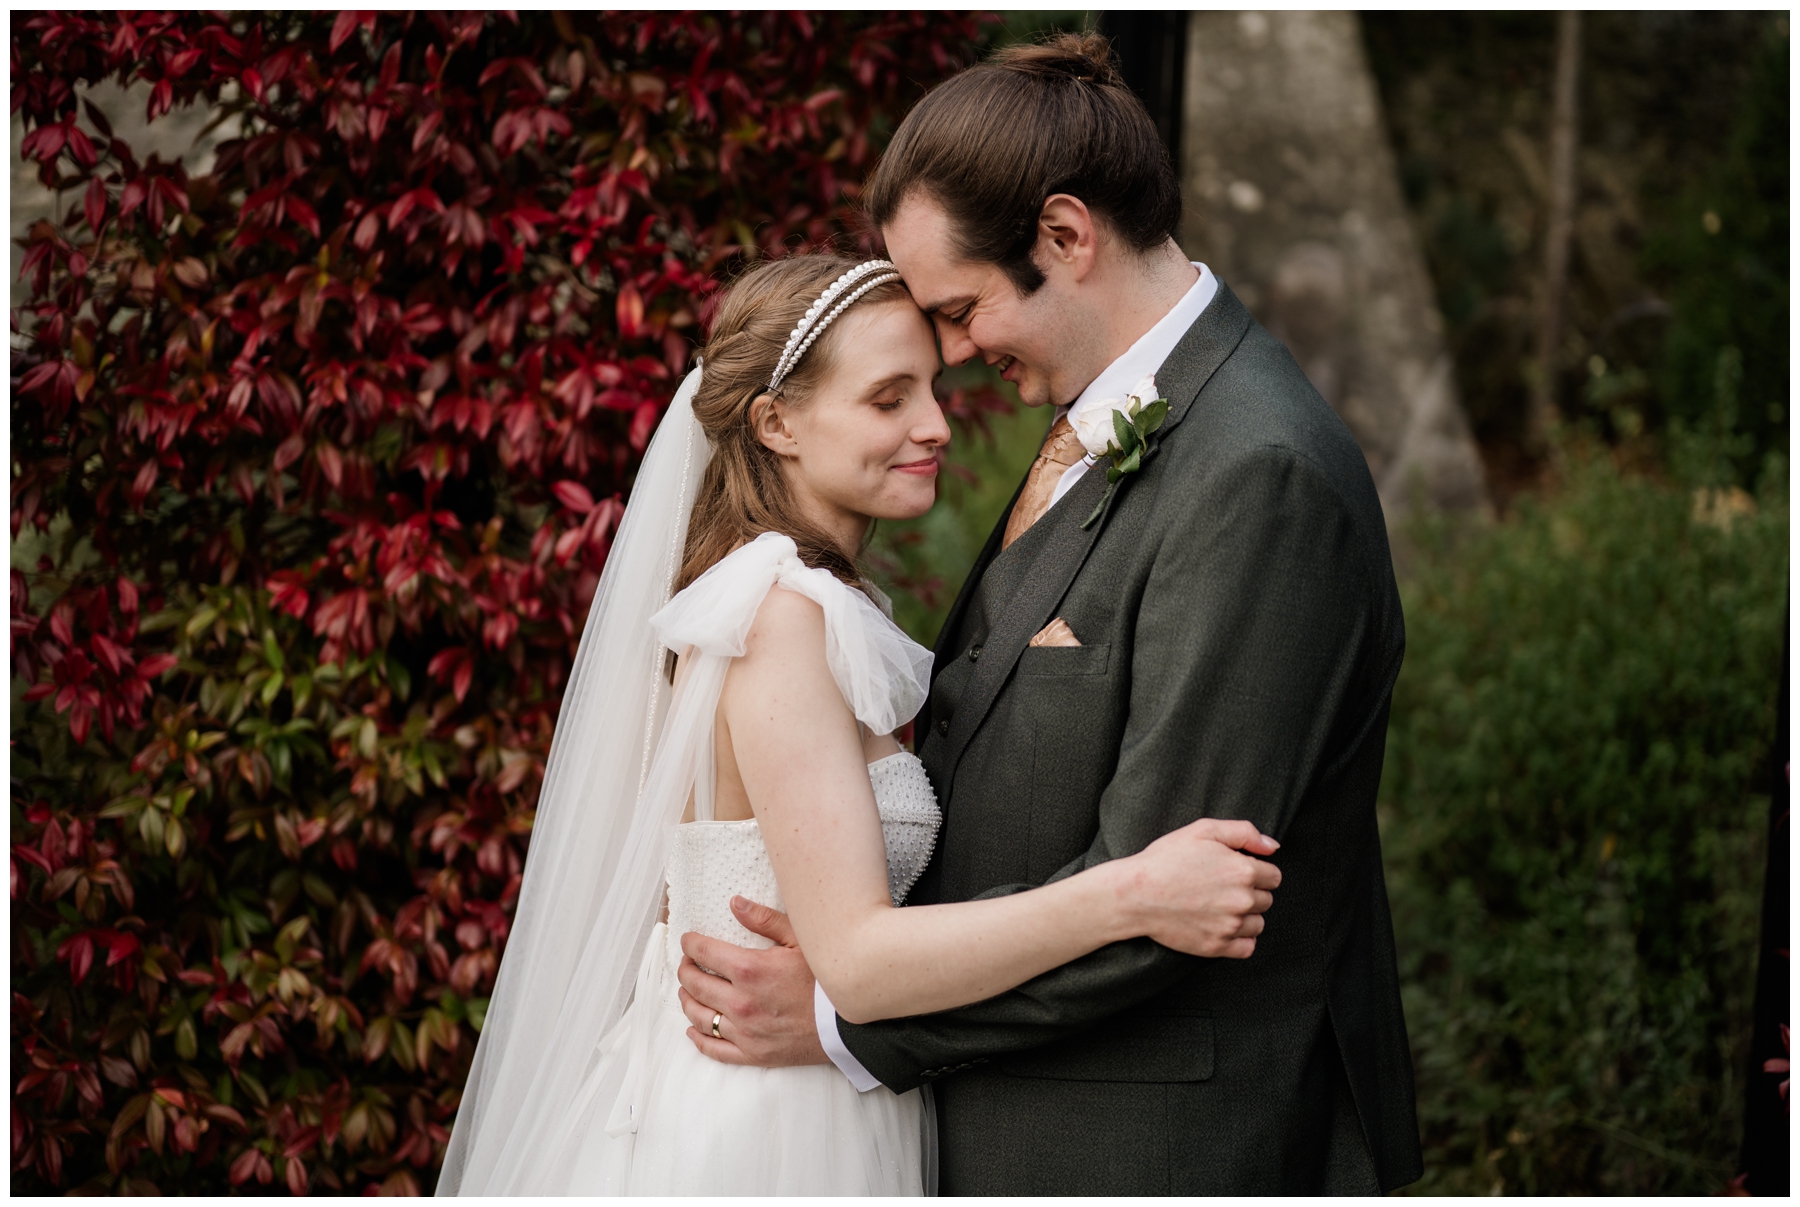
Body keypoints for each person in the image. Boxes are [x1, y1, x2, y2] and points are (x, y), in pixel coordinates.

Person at [674, 33, 1425, 1195]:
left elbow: (1176, 897)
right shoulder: (1104, 427)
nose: (954, 356)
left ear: (1067, 236)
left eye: (962, 309)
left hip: (1155, 1153)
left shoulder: (1258, 475)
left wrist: (846, 1020)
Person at [436, 251, 1285, 1195]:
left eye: (932, 390)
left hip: (813, 1086)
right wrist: (1134, 891)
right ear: (776, 423)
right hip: (765, 1127)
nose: (935, 426)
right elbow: (863, 965)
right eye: (889, 399)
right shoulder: (778, 619)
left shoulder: (805, 602)